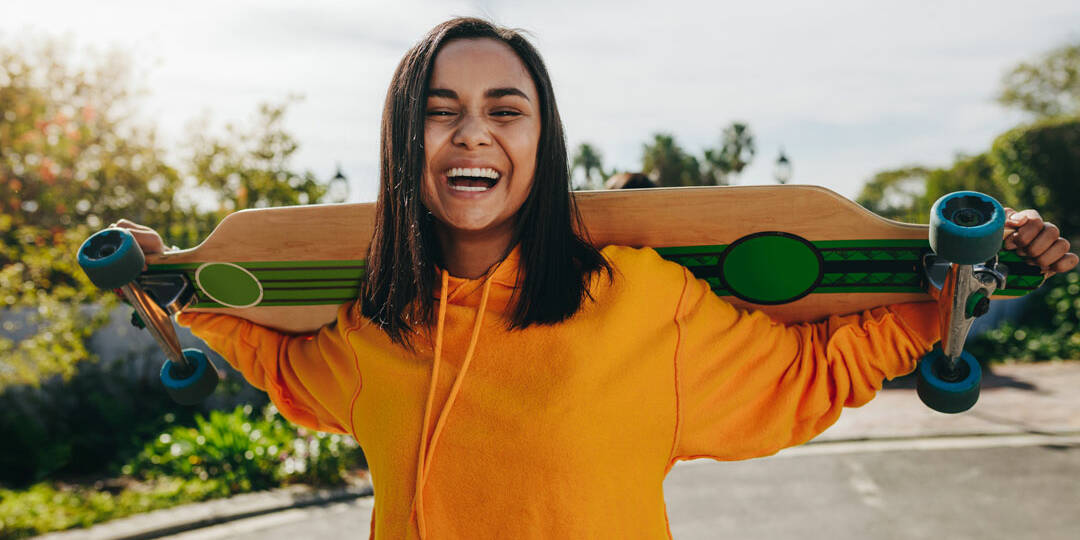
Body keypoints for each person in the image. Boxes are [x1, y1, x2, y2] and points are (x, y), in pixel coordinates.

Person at [113, 17, 1078, 539]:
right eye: (440, 109)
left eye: (506, 108)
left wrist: (962, 282)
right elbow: (282, 358)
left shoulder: (638, 300)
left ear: (544, 139)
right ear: (404, 143)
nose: (473, 132)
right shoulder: (376, 326)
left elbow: (805, 373)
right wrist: (175, 281)